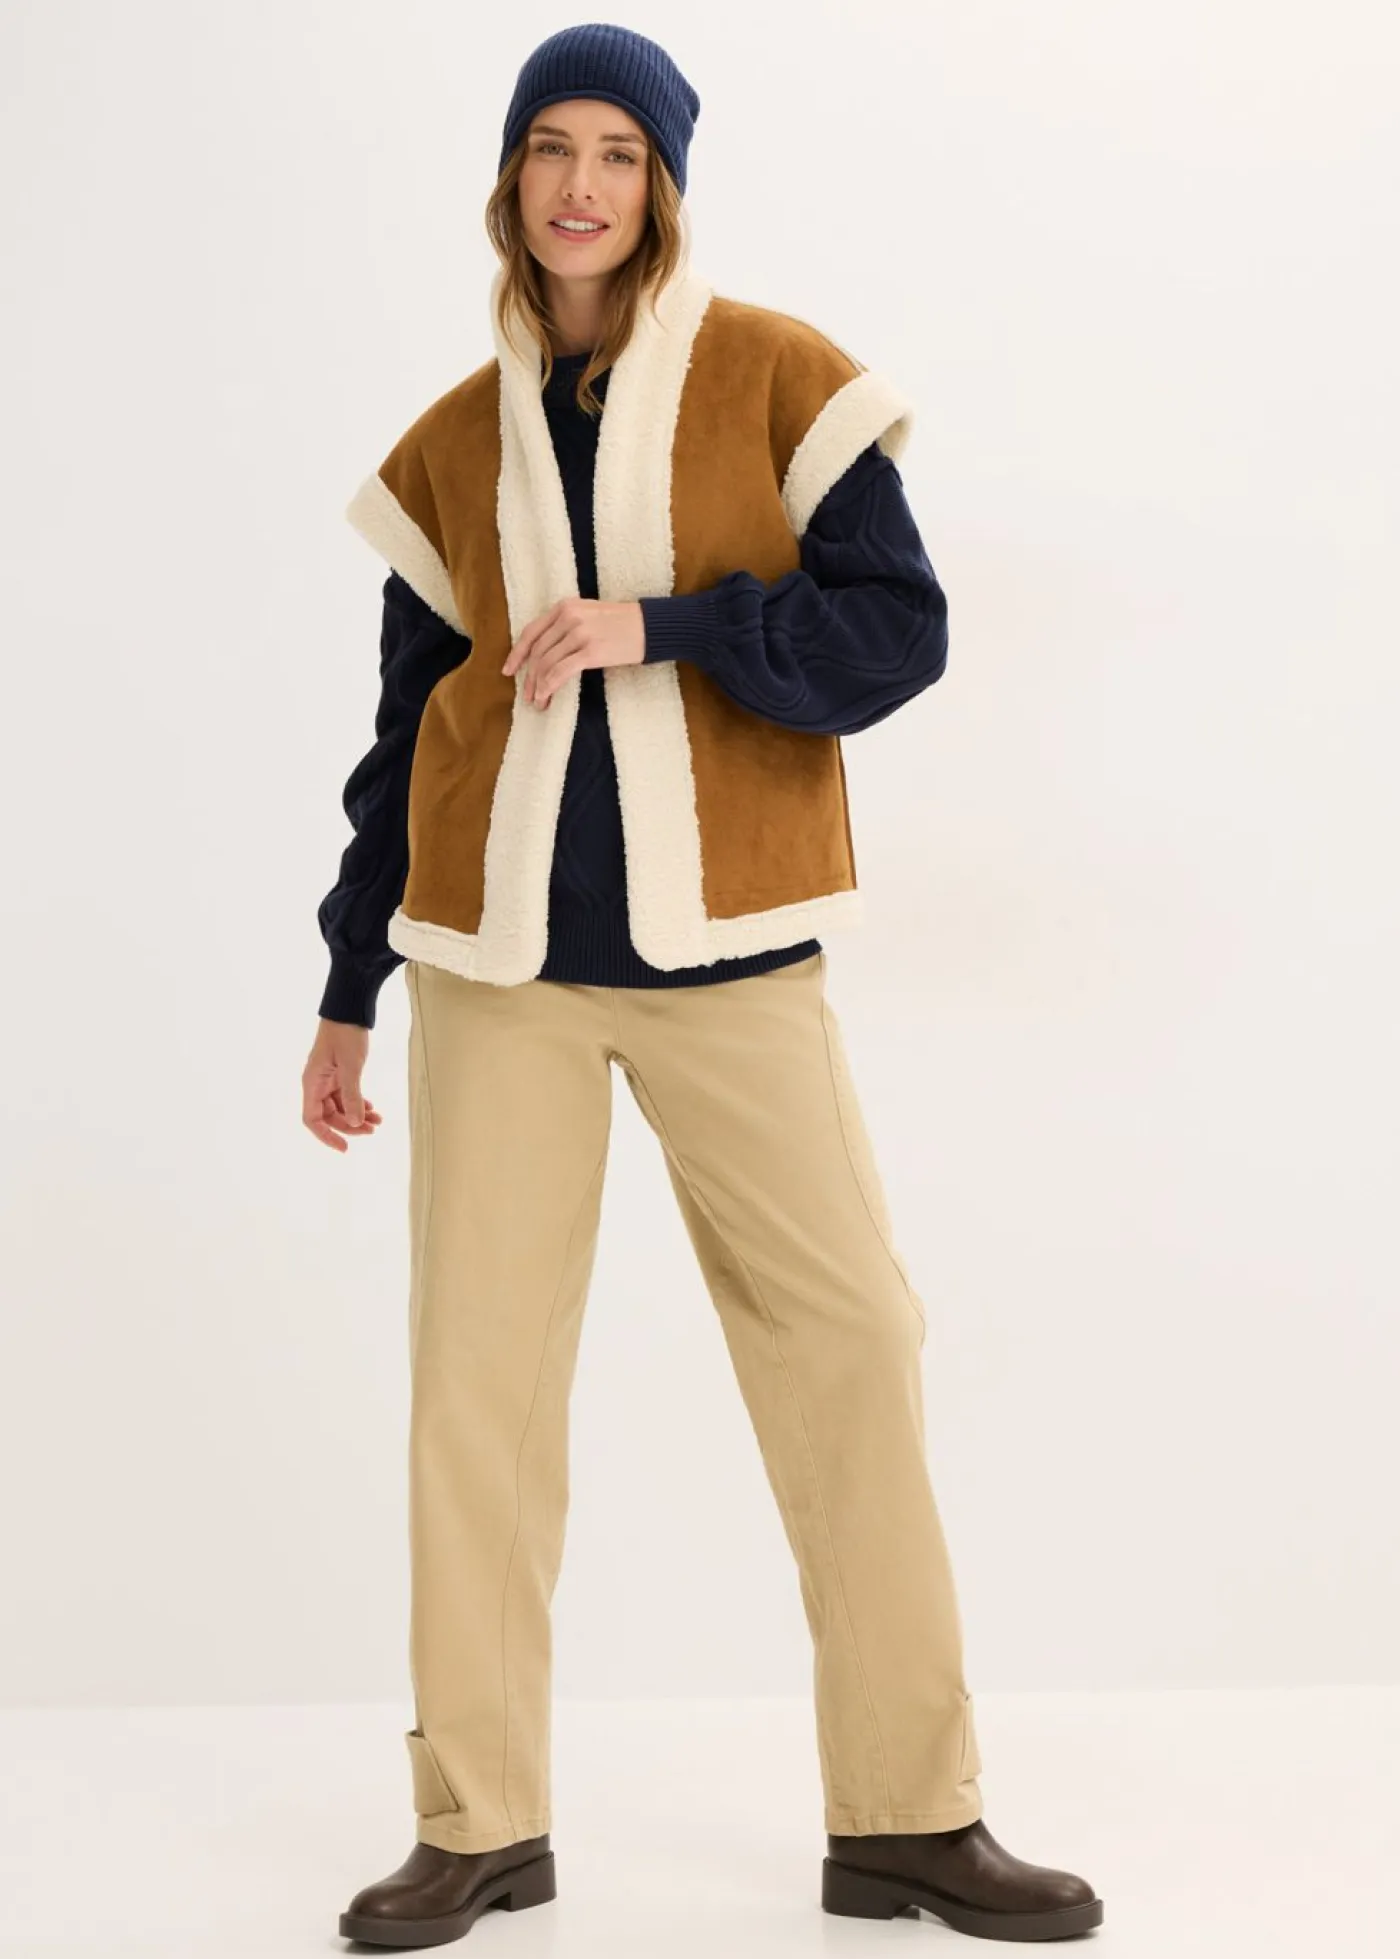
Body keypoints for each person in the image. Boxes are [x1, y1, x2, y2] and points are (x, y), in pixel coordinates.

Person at [306, 23, 1103, 1948]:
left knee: (853, 1341)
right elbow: (404, 735)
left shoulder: (777, 374)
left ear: (662, 184)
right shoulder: (453, 438)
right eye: (550, 149)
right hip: (496, 970)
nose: (580, 185)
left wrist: (665, 628)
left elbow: (896, 632)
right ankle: (479, 1822)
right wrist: (348, 980)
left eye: (619, 153)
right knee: (476, 1390)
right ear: (509, 180)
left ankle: (909, 1815)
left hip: (732, 957)